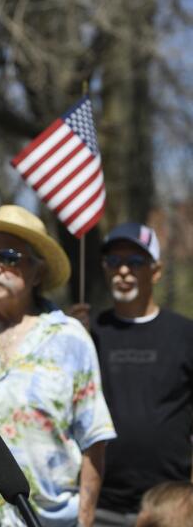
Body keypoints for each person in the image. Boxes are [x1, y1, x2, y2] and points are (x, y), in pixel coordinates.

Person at [0, 205, 116, 527]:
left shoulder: (71, 339)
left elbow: (94, 441)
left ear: (37, 272)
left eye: (7, 257)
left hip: (46, 519)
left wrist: (86, 521)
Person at [70, 223, 193, 527]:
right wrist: (67, 335)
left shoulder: (184, 333)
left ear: (156, 270)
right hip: (100, 503)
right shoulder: (87, 333)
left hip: (170, 506)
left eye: (135, 262)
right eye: (114, 262)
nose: (123, 270)